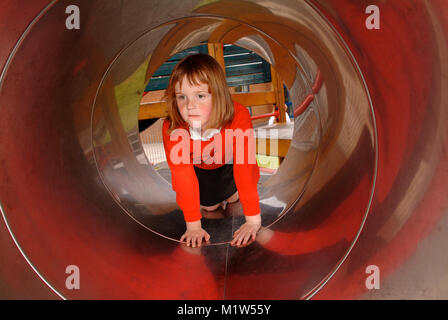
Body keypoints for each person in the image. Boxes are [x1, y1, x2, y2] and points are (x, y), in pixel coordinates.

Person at [161, 53, 261, 248]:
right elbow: (182, 175)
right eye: (182, 97)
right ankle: (218, 198)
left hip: (229, 166)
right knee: (209, 207)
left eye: (200, 96)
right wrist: (193, 226)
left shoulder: (237, 115)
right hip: (201, 171)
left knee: (235, 197)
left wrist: (253, 221)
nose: (190, 105)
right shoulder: (173, 127)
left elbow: (245, 166)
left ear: (218, 95)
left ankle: (231, 193)